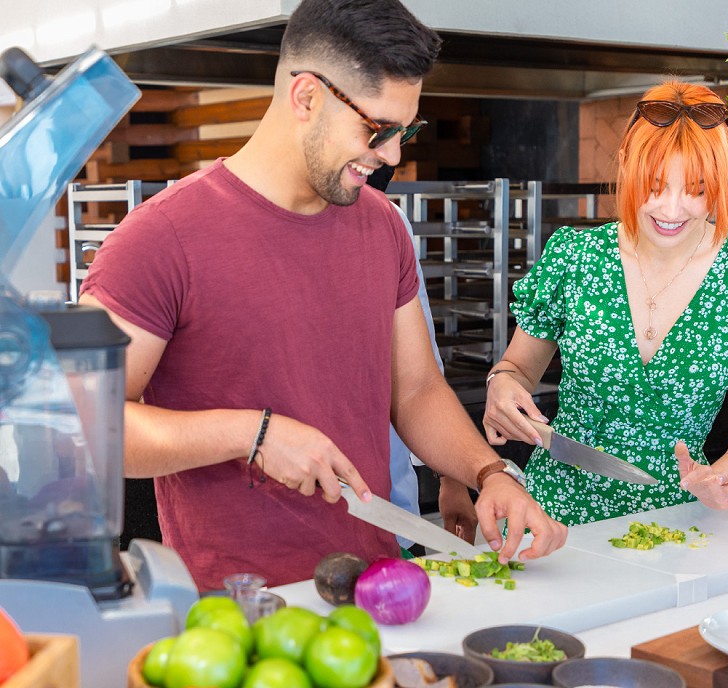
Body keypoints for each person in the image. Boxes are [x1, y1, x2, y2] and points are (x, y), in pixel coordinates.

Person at [79, 0, 565, 591]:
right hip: (238, 607)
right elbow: (89, 423)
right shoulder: (158, 239)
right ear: (306, 97)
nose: (392, 155)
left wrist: (491, 472)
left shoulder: (381, 225)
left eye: (405, 131)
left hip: (378, 584)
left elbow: (415, 391)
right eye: (377, 129)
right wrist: (252, 435)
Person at [483, 80, 728, 527]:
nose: (672, 209)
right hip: (554, 514)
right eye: (654, 186)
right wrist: (501, 384)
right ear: (628, 168)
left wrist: (723, 475)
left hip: (680, 520)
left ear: (723, 182)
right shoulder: (576, 257)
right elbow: (518, 368)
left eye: (696, 188)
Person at [368, 165, 479, 550]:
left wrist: (455, 476)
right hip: (280, 546)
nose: (393, 154)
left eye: (405, 134)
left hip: (394, 516)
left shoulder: (389, 221)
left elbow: (418, 373)